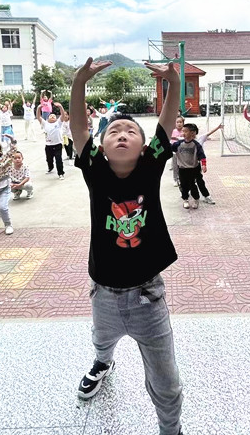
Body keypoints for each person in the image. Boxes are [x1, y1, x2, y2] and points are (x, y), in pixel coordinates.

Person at [70, 56, 184, 435]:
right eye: (113, 131)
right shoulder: (95, 170)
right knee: (101, 340)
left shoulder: (151, 166)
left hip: (148, 296)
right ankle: (103, 363)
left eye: (131, 131)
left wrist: (173, 83)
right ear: (101, 147)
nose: (121, 134)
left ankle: (171, 428)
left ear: (144, 146)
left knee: (166, 380)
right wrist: (79, 83)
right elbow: (78, 128)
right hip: (103, 291)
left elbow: (167, 122)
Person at [172, 123, 208, 209]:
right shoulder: (178, 144)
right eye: (182, 131)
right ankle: (185, 199)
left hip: (193, 168)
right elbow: (169, 149)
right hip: (182, 169)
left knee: (192, 185)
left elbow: (202, 156)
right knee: (183, 185)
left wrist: (203, 165)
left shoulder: (196, 145)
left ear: (192, 133)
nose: (183, 133)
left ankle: (196, 199)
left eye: (185, 131)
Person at [194, 123, 223, 204]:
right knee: (188, 182)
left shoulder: (200, 138)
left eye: (193, 132)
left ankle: (206, 196)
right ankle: (187, 197)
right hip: (186, 165)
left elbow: (209, 133)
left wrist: (218, 127)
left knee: (199, 181)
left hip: (197, 164)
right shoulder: (184, 140)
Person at [38, 101, 66, 179]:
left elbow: (63, 115)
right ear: (47, 118)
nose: (53, 116)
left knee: (58, 159)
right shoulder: (45, 123)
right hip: (48, 145)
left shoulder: (58, 123)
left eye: (54, 116)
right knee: (49, 159)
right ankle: (50, 167)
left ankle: (61, 173)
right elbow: (38, 116)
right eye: (51, 116)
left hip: (58, 144)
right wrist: (38, 108)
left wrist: (60, 106)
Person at [169, 116, 186, 187]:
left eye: (180, 122)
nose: (179, 124)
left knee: (182, 166)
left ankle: (182, 179)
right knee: (175, 166)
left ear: (183, 123)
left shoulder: (185, 131)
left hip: (183, 152)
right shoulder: (173, 131)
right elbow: (171, 140)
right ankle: (175, 179)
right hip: (175, 152)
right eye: (177, 122)